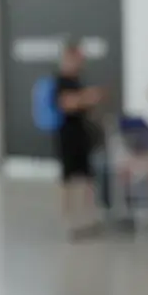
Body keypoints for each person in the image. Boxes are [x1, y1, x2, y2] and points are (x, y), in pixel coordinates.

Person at [53, 38, 104, 237]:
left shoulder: (77, 80)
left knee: (86, 178)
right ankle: (69, 221)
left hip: (82, 135)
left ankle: (87, 218)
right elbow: (66, 104)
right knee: (69, 179)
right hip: (67, 136)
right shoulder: (61, 81)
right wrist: (87, 98)